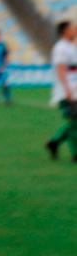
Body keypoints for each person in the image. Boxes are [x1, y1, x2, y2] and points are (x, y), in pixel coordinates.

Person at [46, 21, 77, 162]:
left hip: (74, 89)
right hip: (67, 91)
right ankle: (75, 154)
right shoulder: (60, 48)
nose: (75, 29)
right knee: (74, 121)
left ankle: (54, 142)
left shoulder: (71, 47)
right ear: (65, 31)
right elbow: (61, 70)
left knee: (74, 122)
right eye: (73, 28)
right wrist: (67, 90)